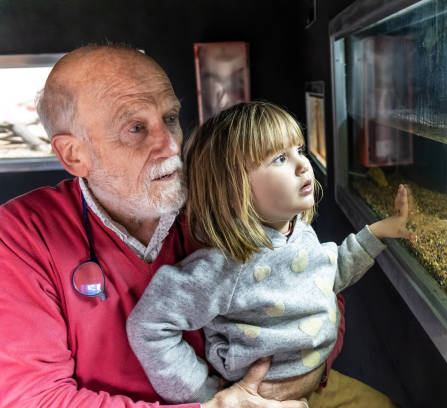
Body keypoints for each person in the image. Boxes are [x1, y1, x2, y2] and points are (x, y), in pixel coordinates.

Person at [0, 44, 367, 408]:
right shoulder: (19, 236)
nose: (170, 145)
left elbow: (312, 278)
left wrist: (304, 375)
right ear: (73, 154)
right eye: (136, 128)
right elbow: (34, 398)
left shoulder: (216, 192)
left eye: (171, 118)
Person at [126, 101, 412, 405]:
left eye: (299, 151)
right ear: (234, 187)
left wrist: (379, 231)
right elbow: (148, 326)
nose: (303, 165)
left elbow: (327, 275)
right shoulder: (222, 267)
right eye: (279, 158)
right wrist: (210, 397)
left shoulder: (299, 232)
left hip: (320, 383)